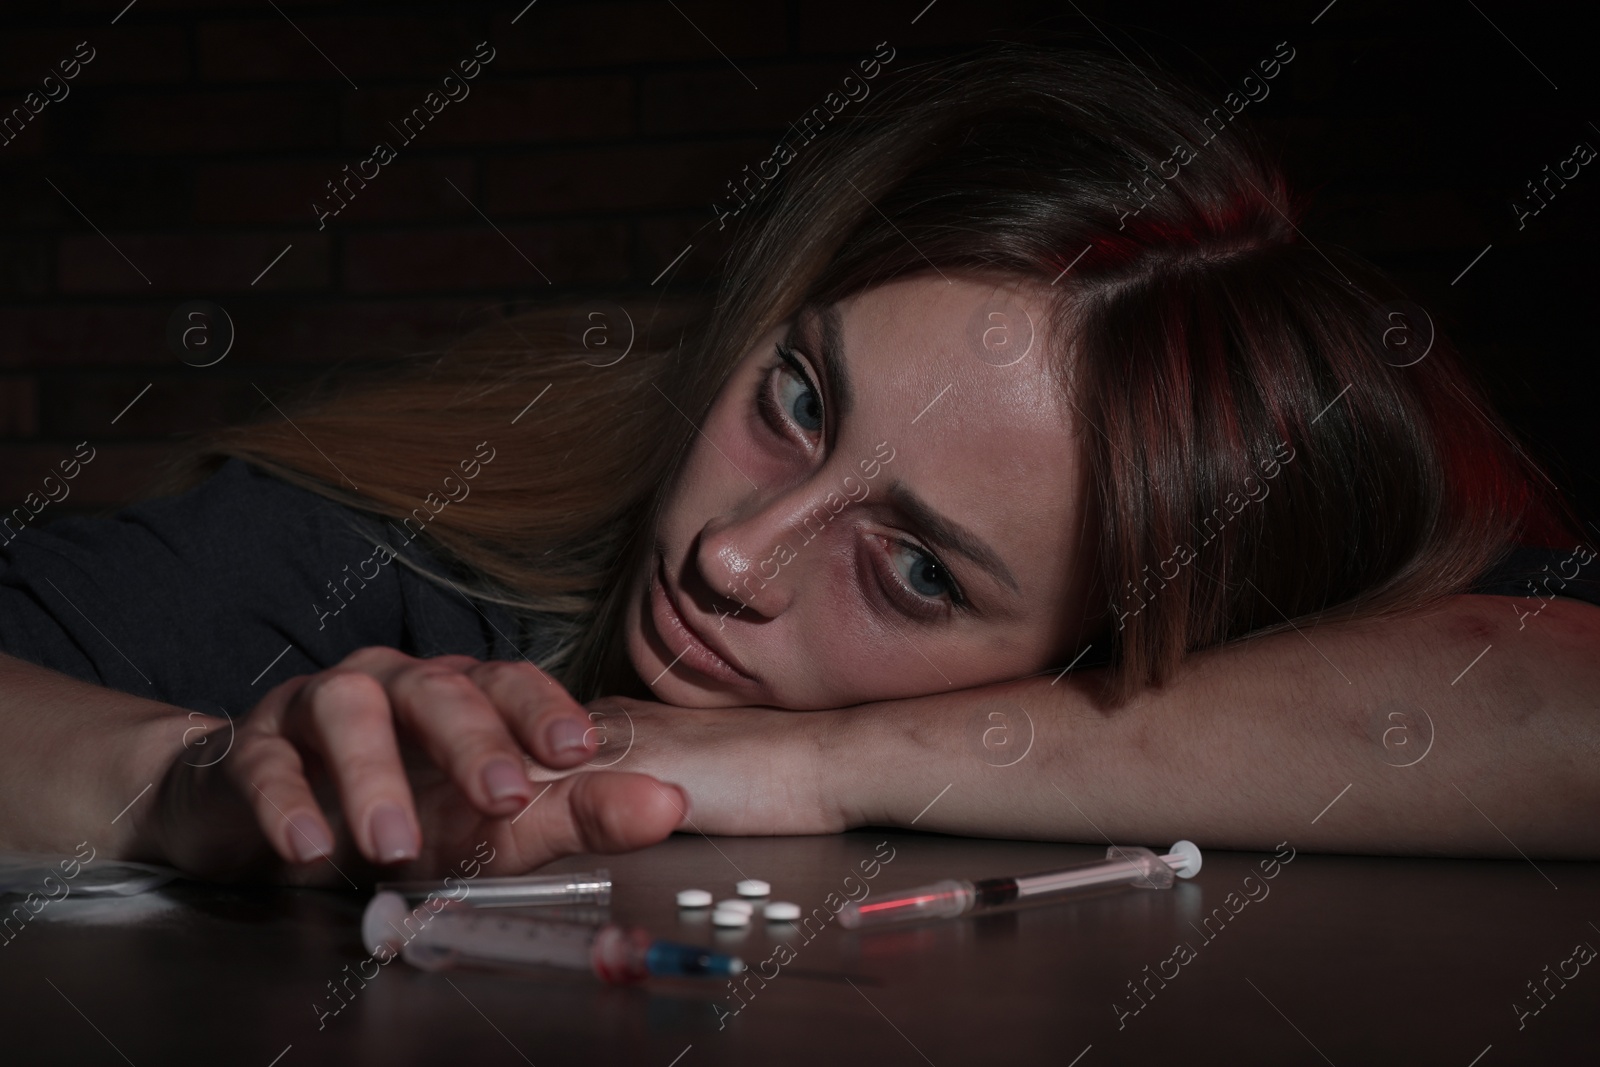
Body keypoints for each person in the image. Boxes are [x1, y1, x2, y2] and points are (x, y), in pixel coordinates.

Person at [2, 43, 1596, 886]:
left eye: (916, 569)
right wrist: (182, 786)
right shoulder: (426, 567)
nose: (735, 557)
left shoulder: (1235, 686)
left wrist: (810, 766)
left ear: (1099, 648)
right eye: (795, 399)